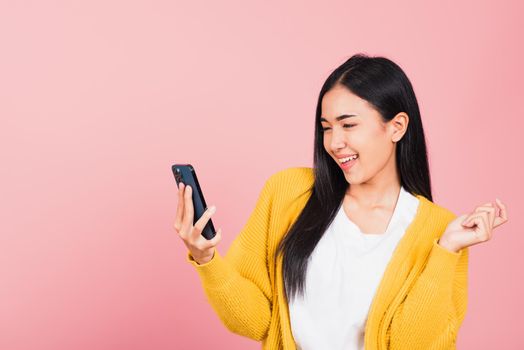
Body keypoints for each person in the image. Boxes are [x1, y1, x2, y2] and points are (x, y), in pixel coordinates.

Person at [173, 53, 509, 350]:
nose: (335, 143)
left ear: (397, 127)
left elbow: (413, 345)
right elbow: (256, 322)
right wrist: (207, 259)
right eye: (326, 128)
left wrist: (446, 250)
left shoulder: (439, 229)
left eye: (348, 125)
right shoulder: (288, 192)